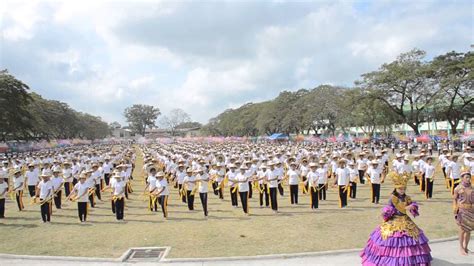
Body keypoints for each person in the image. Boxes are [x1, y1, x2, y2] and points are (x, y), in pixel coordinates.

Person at [360, 171, 432, 265]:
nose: (402, 190)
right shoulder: (393, 198)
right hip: (394, 220)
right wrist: (389, 211)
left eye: (404, 189)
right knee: (391, 240)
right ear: (396, 188)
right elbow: (388, 208)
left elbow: (412, 204)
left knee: (412, 239)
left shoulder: (407, 197)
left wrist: (413, 206)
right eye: (400, 189)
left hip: (405, 220)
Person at [453, 168, 473, 255]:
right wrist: (455, 210)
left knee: (468, 230)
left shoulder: (472, 188)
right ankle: (461, 248)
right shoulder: (458, 188)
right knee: (462, 230)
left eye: (469, 177)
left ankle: (466, 247)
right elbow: (454, 199)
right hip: (462, 211)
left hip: (471, 211)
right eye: (466, 177)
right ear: (462, 178)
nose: (468, 179)